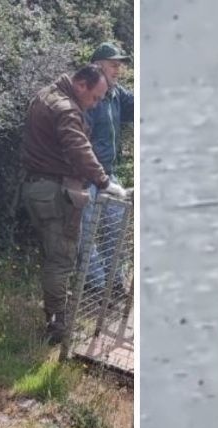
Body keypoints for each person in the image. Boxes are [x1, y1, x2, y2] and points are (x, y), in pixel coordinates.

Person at [20, 64, 128, 345]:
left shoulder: (45, 95)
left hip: (38, 187)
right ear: (81, 84)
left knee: (53, 258)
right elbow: (79, 148)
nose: (95, 104)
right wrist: (105, 182)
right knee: (60, 261)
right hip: (55, 191)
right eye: (94, 97)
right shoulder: (66, 109)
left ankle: (57, 319)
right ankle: (58, 330)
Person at [79, 42, 135, 298]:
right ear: (97, 65)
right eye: (113, 64)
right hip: (84, 177)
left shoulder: (115, 94)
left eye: (120, 65)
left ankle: (115, 284)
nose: (118, 70)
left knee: (116, 228)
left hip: (108, 175)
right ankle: (98, 289)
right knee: (86, 234)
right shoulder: (86, 95)